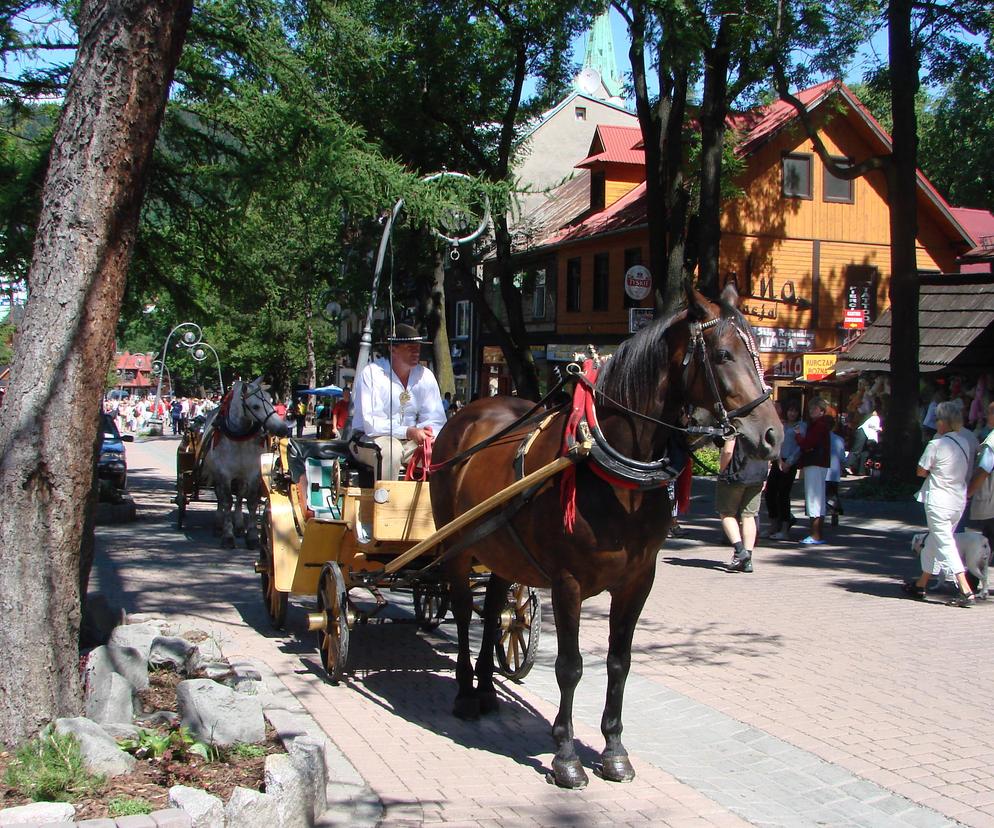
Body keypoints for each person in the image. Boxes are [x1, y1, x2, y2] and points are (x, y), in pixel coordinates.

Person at [351, 324, 447, 481]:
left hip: (410, 442)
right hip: (369, 439)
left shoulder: (426, 376)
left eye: (418, 346)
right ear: (392, 349)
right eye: (410, 347)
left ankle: (435, 503)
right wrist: (408, 431)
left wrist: (431, 435)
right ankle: (386, 502)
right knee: (391, 450)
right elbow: (372, 424)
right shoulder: (372, 373)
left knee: (442, 451)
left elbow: (435, 419)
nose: (416, 351)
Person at [903, 401, 975, 606]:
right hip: (957, 501)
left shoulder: (937, 443)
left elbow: (921, 470)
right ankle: (921, 584)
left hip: (939, 500)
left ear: (943, 422)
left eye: (937, 420)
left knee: (944, 542)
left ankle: (965, 588)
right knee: (935, 541)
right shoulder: (964, 442)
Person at [716, 436, 770, 573]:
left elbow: (728, 451)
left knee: (727, 513)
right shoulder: (762, 423)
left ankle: (740, 551)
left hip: (735, 473)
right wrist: (765, 474)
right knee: (749, 516)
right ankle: (748, 559)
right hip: (758, 473)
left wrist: (722, 470)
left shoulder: (736, 424)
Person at [764, 401, 804, 540]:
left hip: (790, 463)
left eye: (795, 411)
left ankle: (785, 527)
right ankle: (773, 524)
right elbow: (777, 442)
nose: (792, 413)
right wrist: (778, 459)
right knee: (769, 493)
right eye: (790, 410)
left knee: (783, 495)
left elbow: (800, 447)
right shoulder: (782, 424)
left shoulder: (801, 426)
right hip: (778, 461)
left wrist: (789, 462)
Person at [794, 398, 832, 545]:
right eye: (810, 408)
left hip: (815, 462)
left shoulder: (819, 425)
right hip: (819, 463)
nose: (811, 411)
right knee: (818, 499)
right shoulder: (821, 425)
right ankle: (816, 534)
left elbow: (808, 443)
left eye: (815, 408)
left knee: (814, 499)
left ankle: (815, 535)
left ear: (822, 410)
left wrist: (798, 436)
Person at [968, 401, 994, 555]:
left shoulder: (991, 442)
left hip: (990, 501)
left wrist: (969, 492)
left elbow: (984, 470)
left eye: (990, 413)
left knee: (987, 544)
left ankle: (974, 577)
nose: (986, 416)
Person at [847, 399, 881, 475]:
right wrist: (879, 429)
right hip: (862, 432)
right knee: (857, 449)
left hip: (865, 433)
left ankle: (861, 470)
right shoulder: (875, 418)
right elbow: (872, 426)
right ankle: (846, 466)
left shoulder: (873, 417)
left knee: (865, 452)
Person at [825, 414, 847, 523]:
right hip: (834, 472)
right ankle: (835, 512)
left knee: (822, 495)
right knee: (833, 494)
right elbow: (842, 458)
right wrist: (843, 467)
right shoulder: (839, 440)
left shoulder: (821, 439)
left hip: (823, 472)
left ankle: (822, 515)